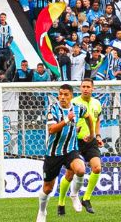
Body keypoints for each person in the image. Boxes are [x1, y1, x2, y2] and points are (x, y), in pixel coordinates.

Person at [36, 84, 87, 222]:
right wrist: (67, 120)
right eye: (60, 94)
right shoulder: (53, 110)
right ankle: (42, 211)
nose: (62, 97)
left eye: (66, 94)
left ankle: (74, 194)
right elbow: (51, 129)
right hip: (53, 154)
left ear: (71, 96)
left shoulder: (78, 108)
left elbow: (88, 115)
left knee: (81, 169)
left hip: (71, 150)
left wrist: (93, 134)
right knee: (47, 189)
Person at [66, 78, 103, 213]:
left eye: (88, 86)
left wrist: (97, 135)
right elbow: (66, 119)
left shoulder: (97, 104)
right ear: (80, 88)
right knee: (70, 174)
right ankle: (62, 202)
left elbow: (97, 119)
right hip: (75, 141)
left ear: (93, 88)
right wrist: (73, 130)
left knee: (97, 168)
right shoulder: (74, 103)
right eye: (83, 86)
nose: (86, 89)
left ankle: (86, 198)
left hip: (91, 140)